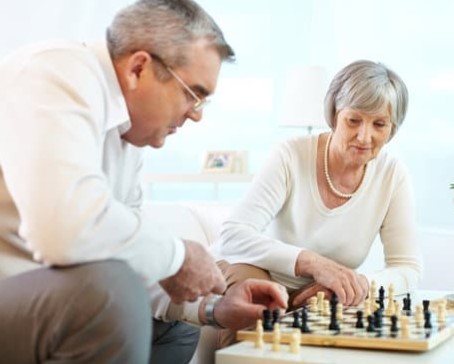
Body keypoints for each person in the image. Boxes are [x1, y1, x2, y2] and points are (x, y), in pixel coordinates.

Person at [0, 1, 287, 363]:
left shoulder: (128, 138)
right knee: (111, 294)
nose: (196, 114)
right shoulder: (55, 72)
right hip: (15, 289)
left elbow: (127, 254)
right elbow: (65, 228)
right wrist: (179, 256)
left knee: (177, 328)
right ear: (139, 68)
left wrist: (214, 307)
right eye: (193, 93)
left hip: (48, 300)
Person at [219, 60, 422, 311]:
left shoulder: (392, 175)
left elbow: (407, 267)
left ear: (392, 130)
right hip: (259, 275)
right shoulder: (290, 155)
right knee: (265, 317)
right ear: (335, 116)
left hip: (321, 296)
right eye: (353, 120)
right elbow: (233, 235)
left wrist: (354, 285)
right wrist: (314, 264)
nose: (364, 136)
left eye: (379, 124)